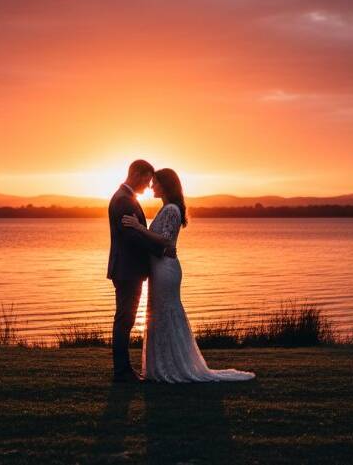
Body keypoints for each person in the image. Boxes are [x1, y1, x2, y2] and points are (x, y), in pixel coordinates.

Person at [122, 168, 255, 383]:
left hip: (166, 269)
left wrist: (138, 227)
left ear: (165, 185)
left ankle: (175, 367)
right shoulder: (165, 208)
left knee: (167, 313)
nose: (151, 186)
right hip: (159, 267)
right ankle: (161, 366)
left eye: (155, 183)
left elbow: (165, 240)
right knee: (159, 314)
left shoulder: (172, 209)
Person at [106, 159, 174, 383]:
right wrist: (160, 247)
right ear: (136, 173)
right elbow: (131, 236)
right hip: (127, 270)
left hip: (128, 269)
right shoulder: (123, 201)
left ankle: (124, 369)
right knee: (125, 319)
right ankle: (122, 371)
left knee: (126, 318)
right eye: (146, 179)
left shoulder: (126, 198)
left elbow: (136, 233)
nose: (148, 185)